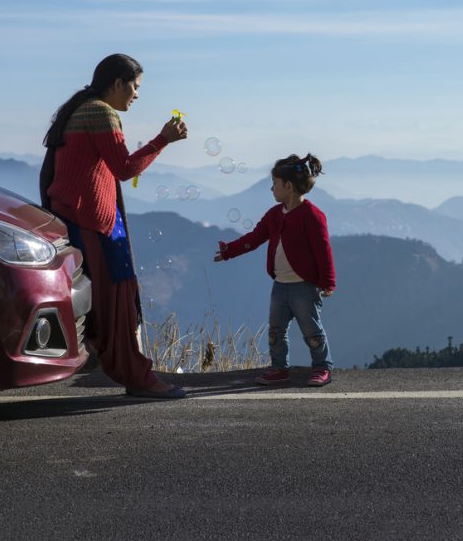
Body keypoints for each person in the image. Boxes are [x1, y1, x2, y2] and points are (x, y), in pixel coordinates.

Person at [40, 53, 187, 399]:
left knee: (110, 299)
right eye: (135, 88)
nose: (136, 95)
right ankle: (136, 376)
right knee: (116, 301)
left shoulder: (80, 108)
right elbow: (123, 168)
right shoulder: (100, 112)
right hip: (95, 222)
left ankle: (123, 366)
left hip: (82, 217)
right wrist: (162, 139)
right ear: (118, 83)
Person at [213, 154, 336, 387]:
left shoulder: (312, 215)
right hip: (280, 285)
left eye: (275, 184)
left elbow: (324, 250)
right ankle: (279, 368)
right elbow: (255, 237)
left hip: (304, 287)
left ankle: (322, 367)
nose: (272, 189)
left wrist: (328, 282)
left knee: (312, 330)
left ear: (288, 186)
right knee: (276, 331)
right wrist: (229, 251)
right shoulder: (274, 215)